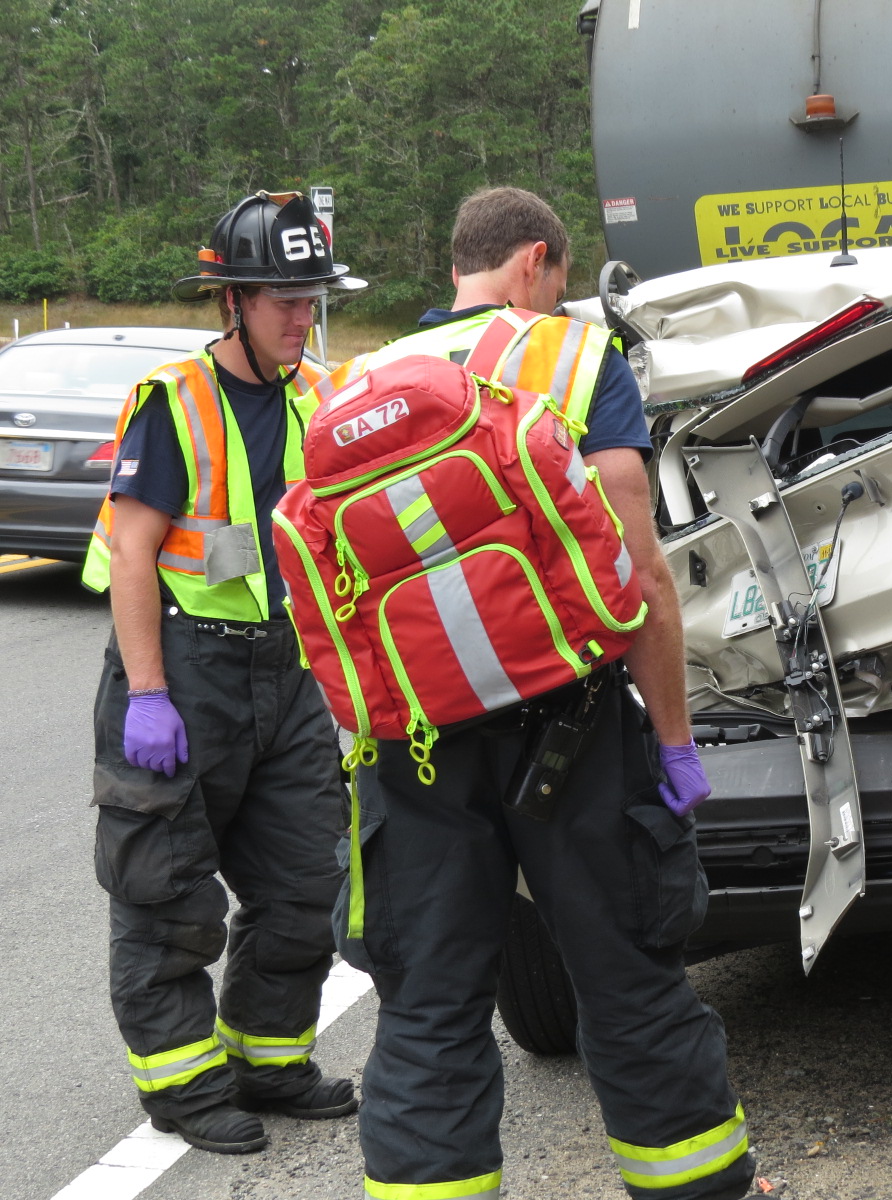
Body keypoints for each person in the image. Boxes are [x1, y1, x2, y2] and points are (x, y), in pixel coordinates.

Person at [321, 187, 753, 1200]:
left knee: (428, 1004)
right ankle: (693, 1186)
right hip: (571, 725)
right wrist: (675, 742)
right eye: (558, 279)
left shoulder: (353, 382)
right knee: (628, 975)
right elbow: (640, 574)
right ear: (535, 262)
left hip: (415, 742)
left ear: (455, 267)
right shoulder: (572, 357)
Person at [80, 191, 366, 1154]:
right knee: (166, 895)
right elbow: (132, 554)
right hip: (182, 665)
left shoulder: (320, 396)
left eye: (312, 299)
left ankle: (267, 1061)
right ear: (233, 300)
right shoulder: (176, 402)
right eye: (285, 300)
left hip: (287, 672)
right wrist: (148, 695)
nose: (302, 318)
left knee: (306, 883)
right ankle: (184, 1087)